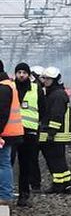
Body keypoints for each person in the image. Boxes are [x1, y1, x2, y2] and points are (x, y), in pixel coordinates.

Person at [38, 66, 71, 194]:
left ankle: (58, 185)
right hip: (57, 134)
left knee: (55, 161)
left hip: (57, 135)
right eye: (45, 78)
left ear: (55, 80)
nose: (45, 81)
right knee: (59, 161)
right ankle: (65, 184)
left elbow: (56, 115)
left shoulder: (57, 95)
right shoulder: (54, 93)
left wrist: (51, 133)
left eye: (48, 79)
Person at [13, 63, 41, 206]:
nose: (22, 75)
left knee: (25, 165)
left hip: (29, 133)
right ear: (15, 74)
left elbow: (42, 109)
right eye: (19, 72)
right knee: (7, 164)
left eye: (24, 72)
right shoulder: (10, 88)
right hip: (12, 132)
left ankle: (24, 195)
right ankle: (5, 193)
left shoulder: (36, 89)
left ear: (29, 74)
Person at [0, 60, 24, 205]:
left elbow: (2, 113)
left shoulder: (3, 88)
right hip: (9, 132)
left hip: (5, 133)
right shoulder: (8, 85)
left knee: (3, 163)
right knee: (4, 163)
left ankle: (5, 195)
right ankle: (5, 194)